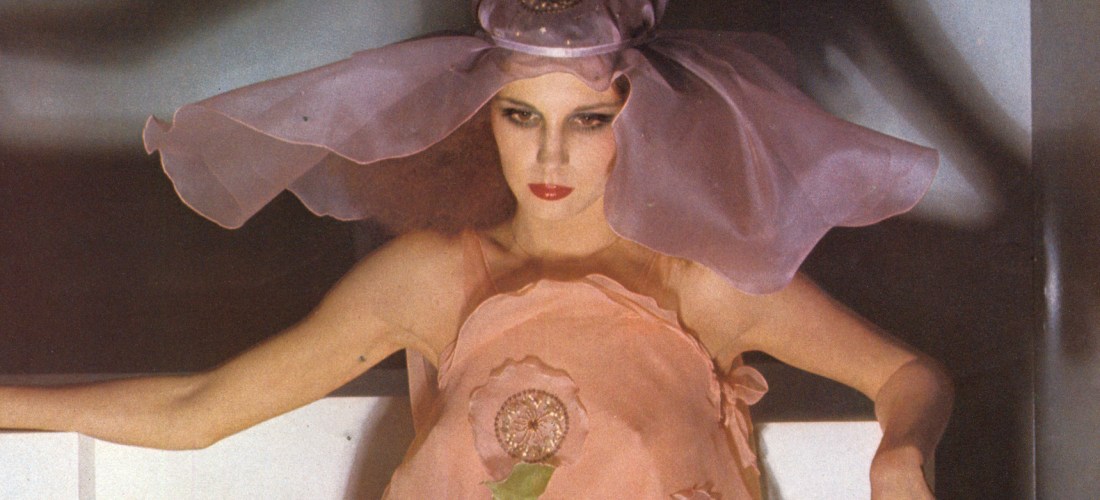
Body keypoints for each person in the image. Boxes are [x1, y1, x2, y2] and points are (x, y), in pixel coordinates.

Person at [0, 1, 952, 498]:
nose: (548, 158)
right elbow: (199, 410)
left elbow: (908, 375)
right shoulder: (431, 280)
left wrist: (901, 452)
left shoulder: (701, 283)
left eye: (588, 120)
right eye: (520, 115)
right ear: (478, 120)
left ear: (645, 122)